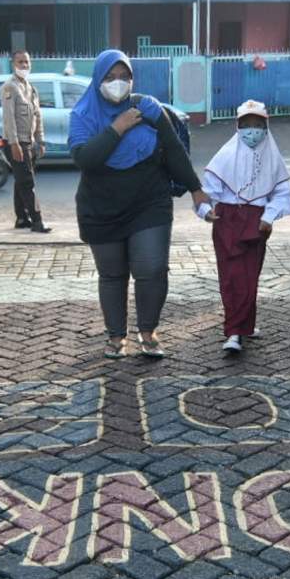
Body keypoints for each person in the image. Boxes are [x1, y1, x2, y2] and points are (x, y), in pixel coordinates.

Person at [69, 49, 209, 359]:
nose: (118, 83)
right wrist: (117, 128)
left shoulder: (148, 108)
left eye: (125, 77)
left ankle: (148, 332)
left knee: (152, 268)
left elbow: (174, 151)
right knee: (113, 274)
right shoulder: (82, 115)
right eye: (110, 77)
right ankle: (116, 336)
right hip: (101, 205)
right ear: (98, 80)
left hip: (149, 200)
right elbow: (86, 159)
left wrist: (196, 189)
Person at [197, 101, 290, 353]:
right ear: (238, 127)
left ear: (266, 127)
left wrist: (269, 216)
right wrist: (207, 212)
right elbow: (208, 192)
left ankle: (245, 326)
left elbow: (282, 193)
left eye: (258, 125)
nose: (253, 131)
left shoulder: (273, 158)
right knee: (231, 277)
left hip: (257, 223)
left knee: (250, 276)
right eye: (247, 125)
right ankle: (234, 332)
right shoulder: (225, 155)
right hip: (228, 220)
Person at [0, 50, 52, 233]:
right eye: (20, 62)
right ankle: (37, 221)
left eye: (27, 62)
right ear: (13, 64)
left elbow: (38, 116)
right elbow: (9, 118)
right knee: (27, 181)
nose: (24, 65)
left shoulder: (31, 89)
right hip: (17, 142)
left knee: (21, 180)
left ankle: (22, 218)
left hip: (28, 142)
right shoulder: (10, 87)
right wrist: (14, 144)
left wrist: (41, 141)